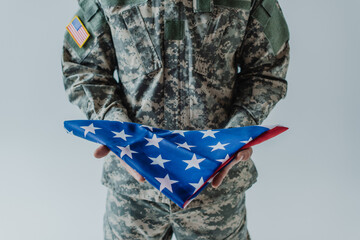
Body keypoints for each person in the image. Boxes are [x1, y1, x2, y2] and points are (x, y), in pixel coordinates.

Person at [61, 0, 290, 239]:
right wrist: (116, 129)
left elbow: (267, 70)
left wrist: (237, 135)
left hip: (216, 190)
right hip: (134, 191)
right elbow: (83, 66)